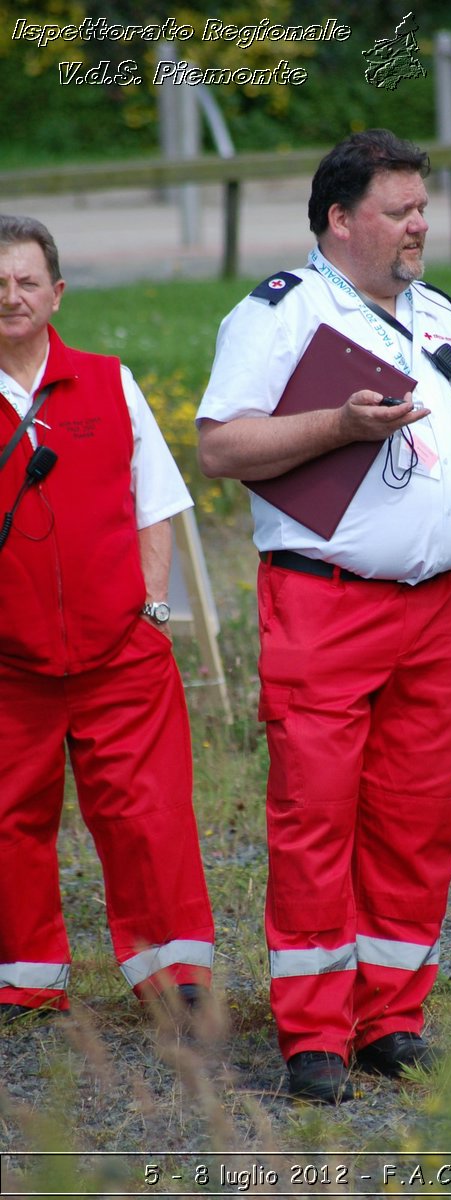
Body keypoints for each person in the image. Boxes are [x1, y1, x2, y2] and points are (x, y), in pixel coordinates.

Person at [197, 129, 451, 1103]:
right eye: (400, 209)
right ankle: (314, 1035)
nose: (419, 223)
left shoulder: (441, 316)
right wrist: (338, 426)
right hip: (325, 605)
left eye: (422, 206)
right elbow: (221, 447)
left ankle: (391, 1018)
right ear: (340, 220)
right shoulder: (279, 313)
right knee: (316, 816)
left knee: (417, 821)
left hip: (434, 611)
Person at [0, 216, 215, 1024]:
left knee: (148, 813)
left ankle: (175, 977)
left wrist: (153, 614)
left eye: (26, 281)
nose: (10, 297)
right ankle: (24, 979)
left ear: (57, 293)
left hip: (121, 651)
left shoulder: (108, 380)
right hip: (9, 665)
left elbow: (155, 504)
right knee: (8, 820)